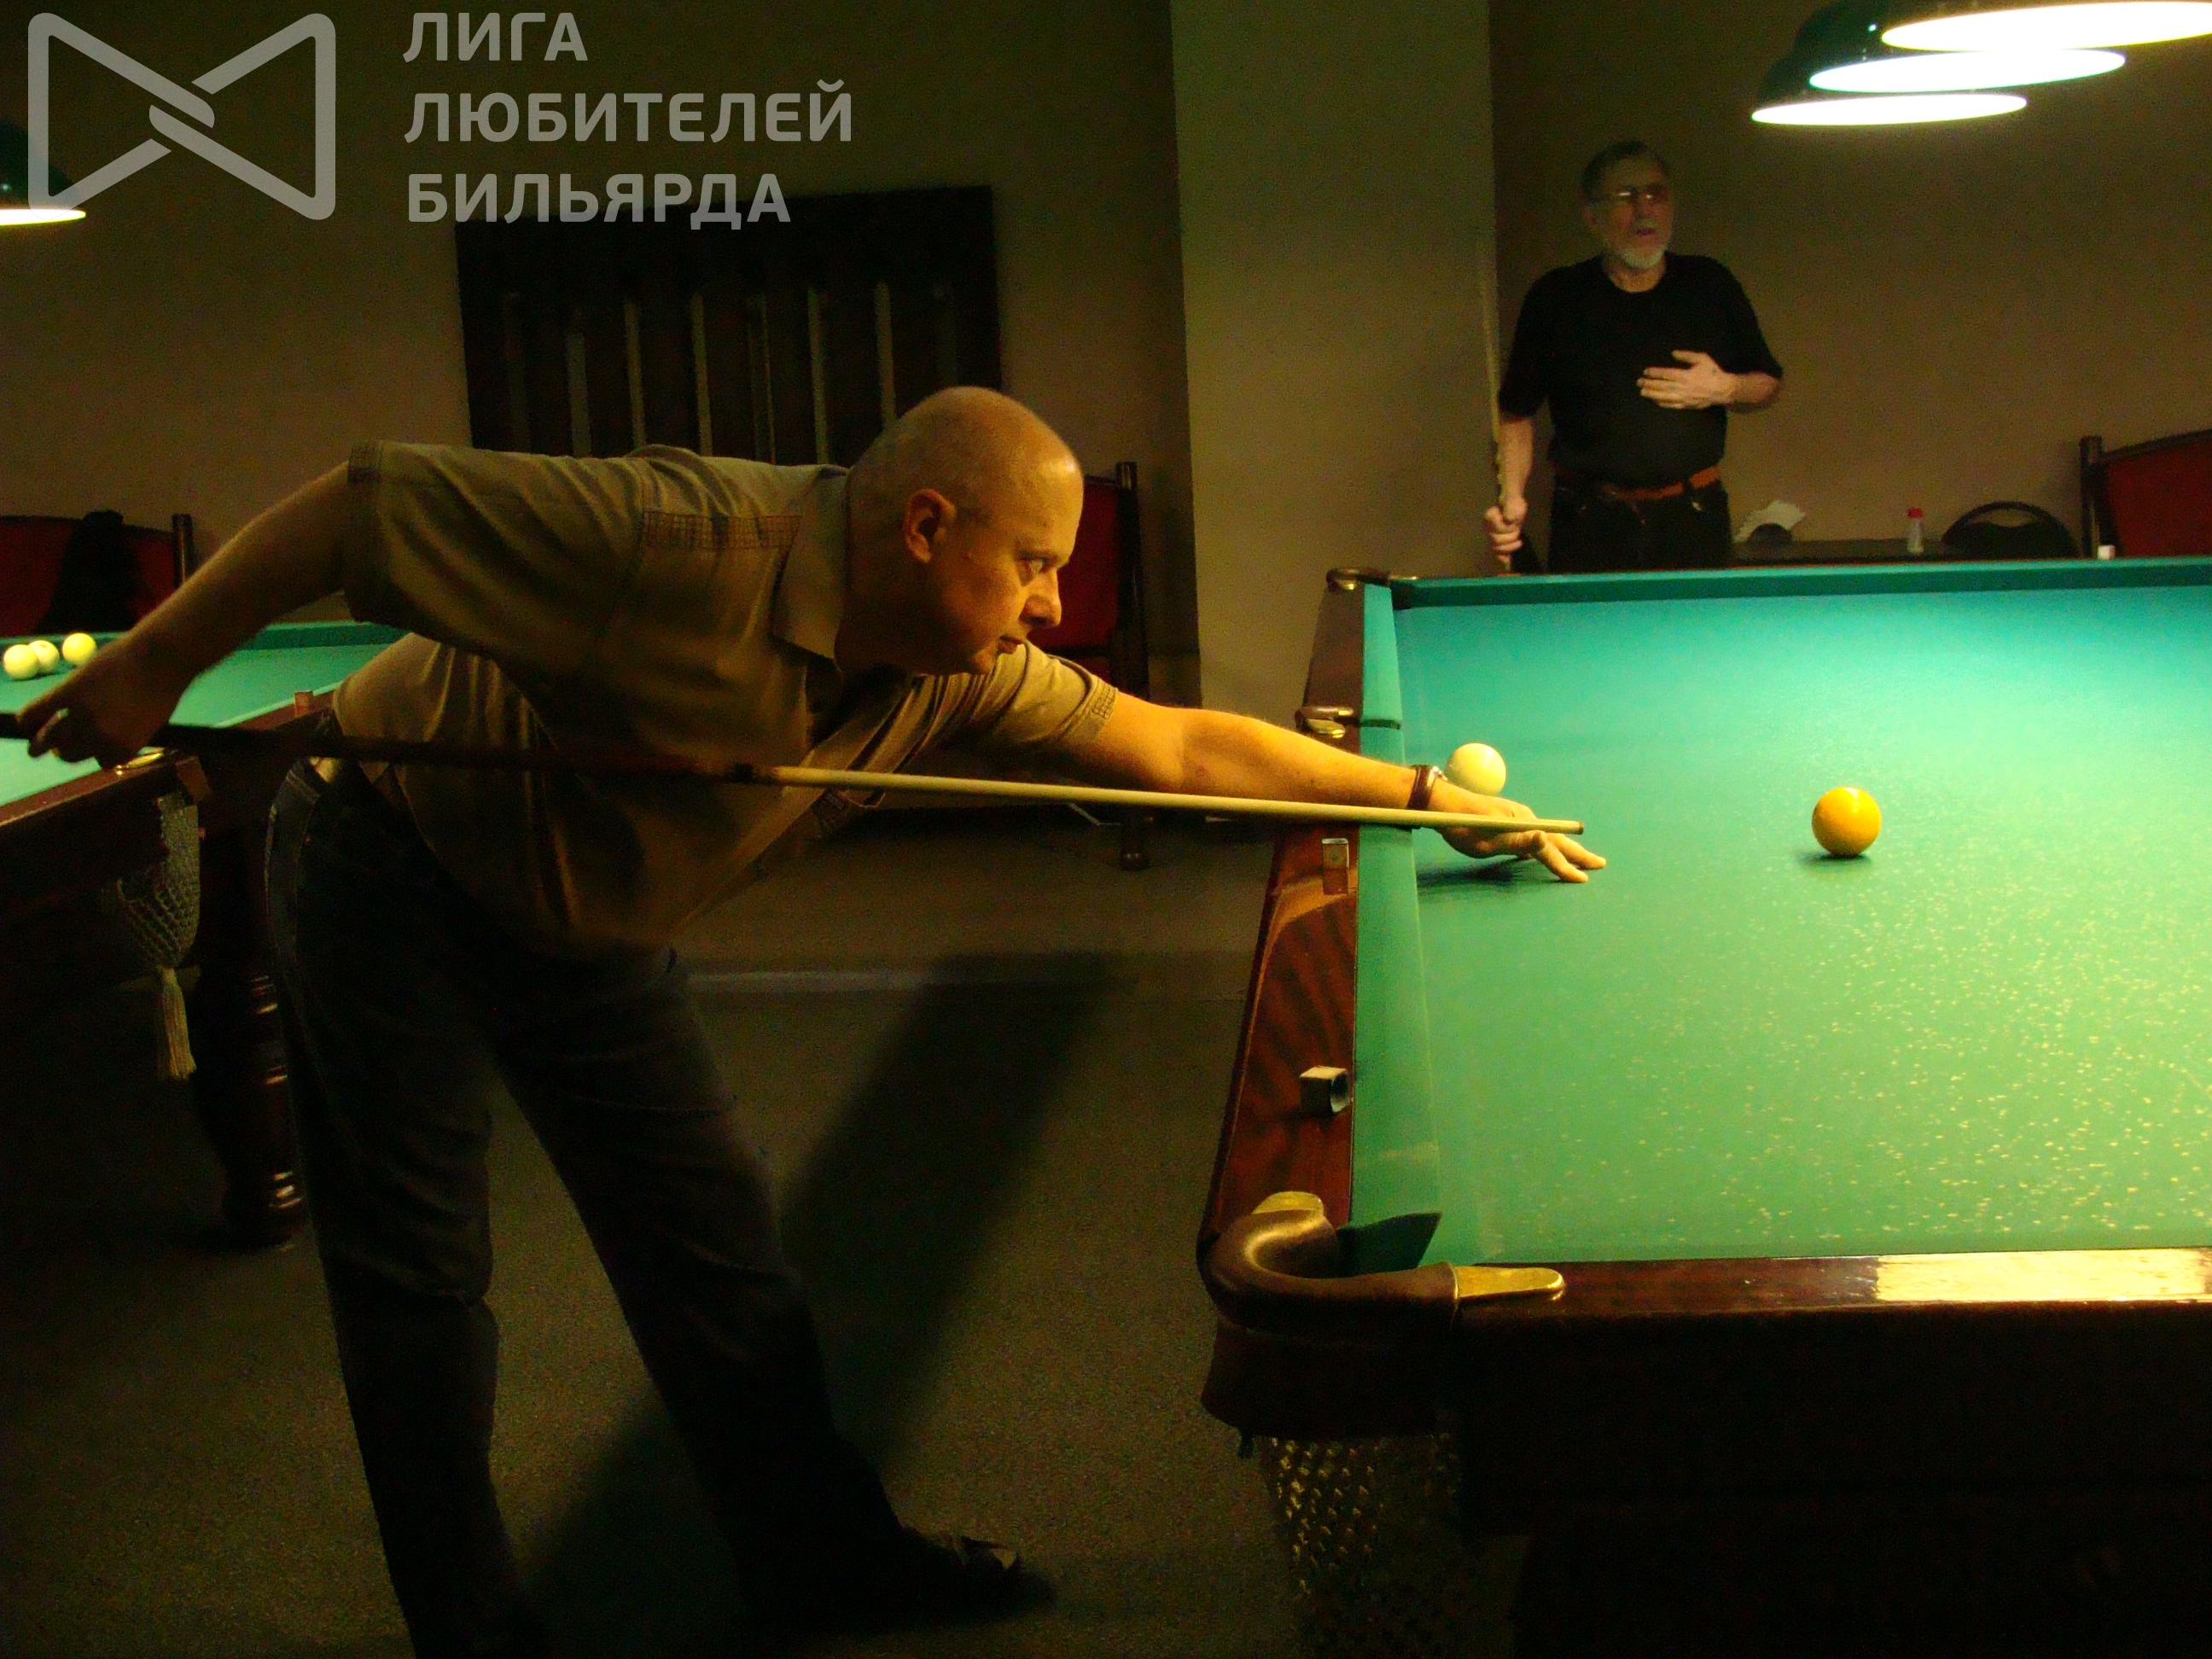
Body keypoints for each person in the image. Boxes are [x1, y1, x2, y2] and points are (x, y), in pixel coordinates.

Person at [19, 387, 1604, 1656]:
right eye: (1033, 565)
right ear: (925, 527)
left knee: (718, 1253)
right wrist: (150, 668)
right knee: (420, 1277)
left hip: (592, 914)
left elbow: (1180, 750)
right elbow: (361, 506)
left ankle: (818, 1557)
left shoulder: (958, 669)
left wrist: (1418, 796)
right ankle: (471, 1629)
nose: (1053, 606)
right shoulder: (672, 541)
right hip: (394, 854)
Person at [1486, 141, 1784, 574]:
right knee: (1586, 622)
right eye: (1625, 197)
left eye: (1655, 194)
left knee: (1699, 622)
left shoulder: (1709, 285)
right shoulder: (1555, 298)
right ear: (1593, 218)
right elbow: (1516, 410)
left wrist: (1728, 388)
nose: (1644, 210)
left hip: (1694, 516)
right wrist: (1511, 496)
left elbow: (1768, 384)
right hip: (1588, 520)